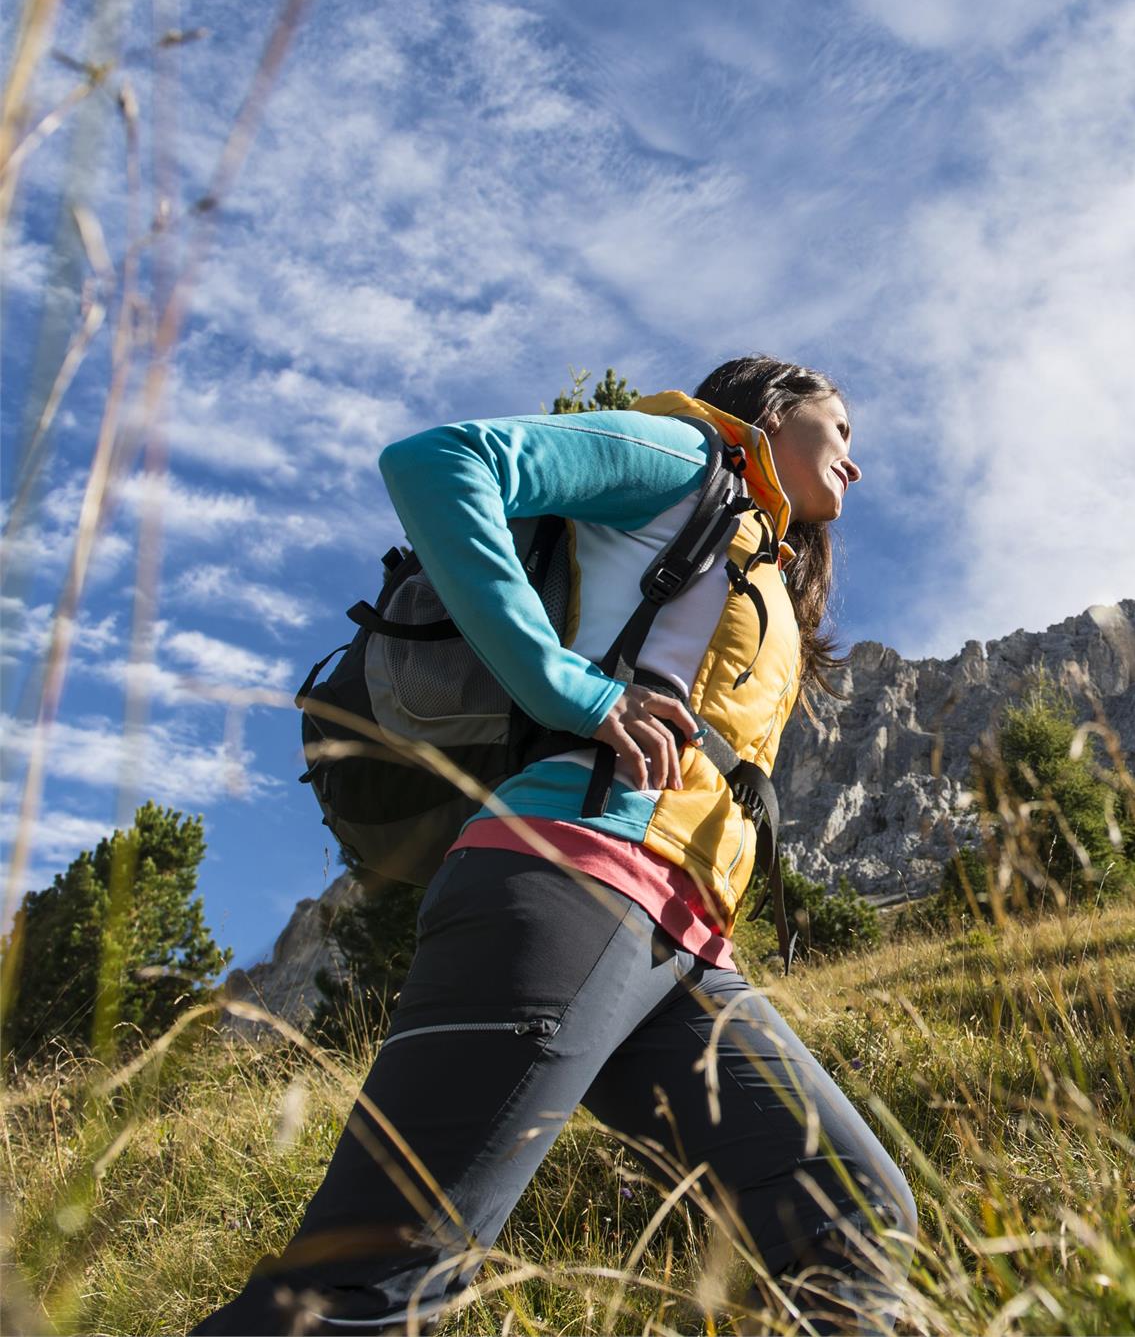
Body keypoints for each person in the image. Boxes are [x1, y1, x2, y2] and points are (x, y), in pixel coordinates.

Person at [196, 357, 915, 1335]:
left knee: (852, 1216)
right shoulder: (685, 452)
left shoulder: (756, 549)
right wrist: (561, 683)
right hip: (568, 877)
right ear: (777, 414)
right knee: (372, 1290)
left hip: (685, 950)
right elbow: (440, 460)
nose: (856, 463)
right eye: (843, 430)